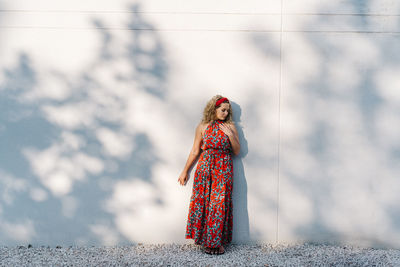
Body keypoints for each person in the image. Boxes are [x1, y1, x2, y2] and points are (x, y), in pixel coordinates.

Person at [178, 95, 241, 255]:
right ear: (214, 108)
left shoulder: (230, 126)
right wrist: (185, 170)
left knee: (218, 205)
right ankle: (206, 241)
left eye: (228, 111)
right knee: (204, 203)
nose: (226, 113)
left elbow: (237, 151)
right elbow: (195, 150)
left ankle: (215, 242)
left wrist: (231, 135)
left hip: (223, 168)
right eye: (223, 110)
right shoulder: (202, 126)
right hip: (205, 167)